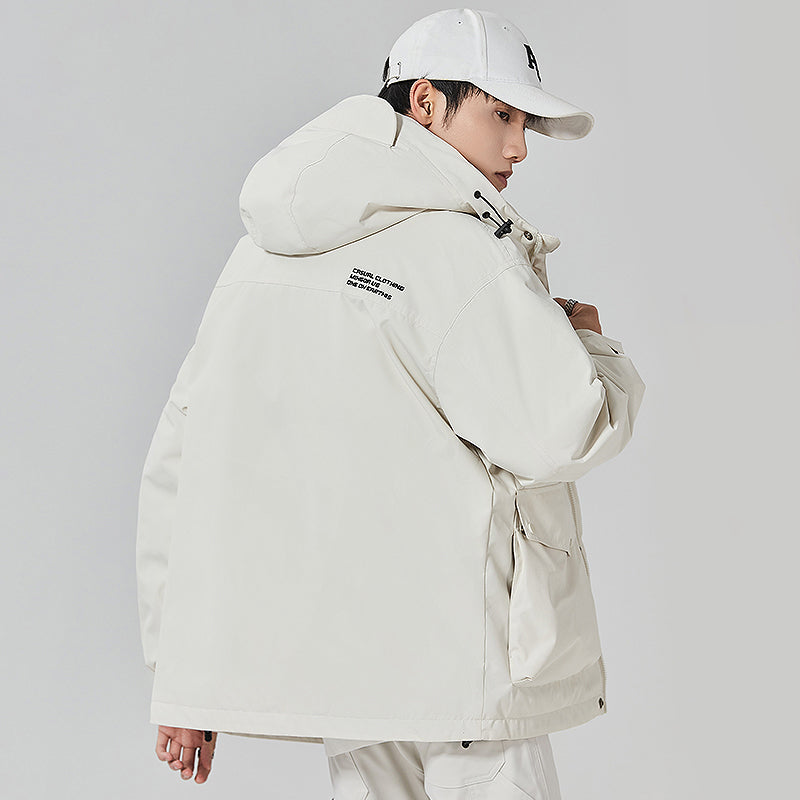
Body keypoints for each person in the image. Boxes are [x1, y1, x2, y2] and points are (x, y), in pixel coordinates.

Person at [135, 8, 646, 796]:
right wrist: (590, 345)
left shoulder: (255, 259)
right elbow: (564, 432)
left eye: (526, 124)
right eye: (502, 115)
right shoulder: (458, 250)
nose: (518, 147)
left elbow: (186, 457)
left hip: (352, 677)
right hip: (465, 668)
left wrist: (181, 677)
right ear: (427, 103)